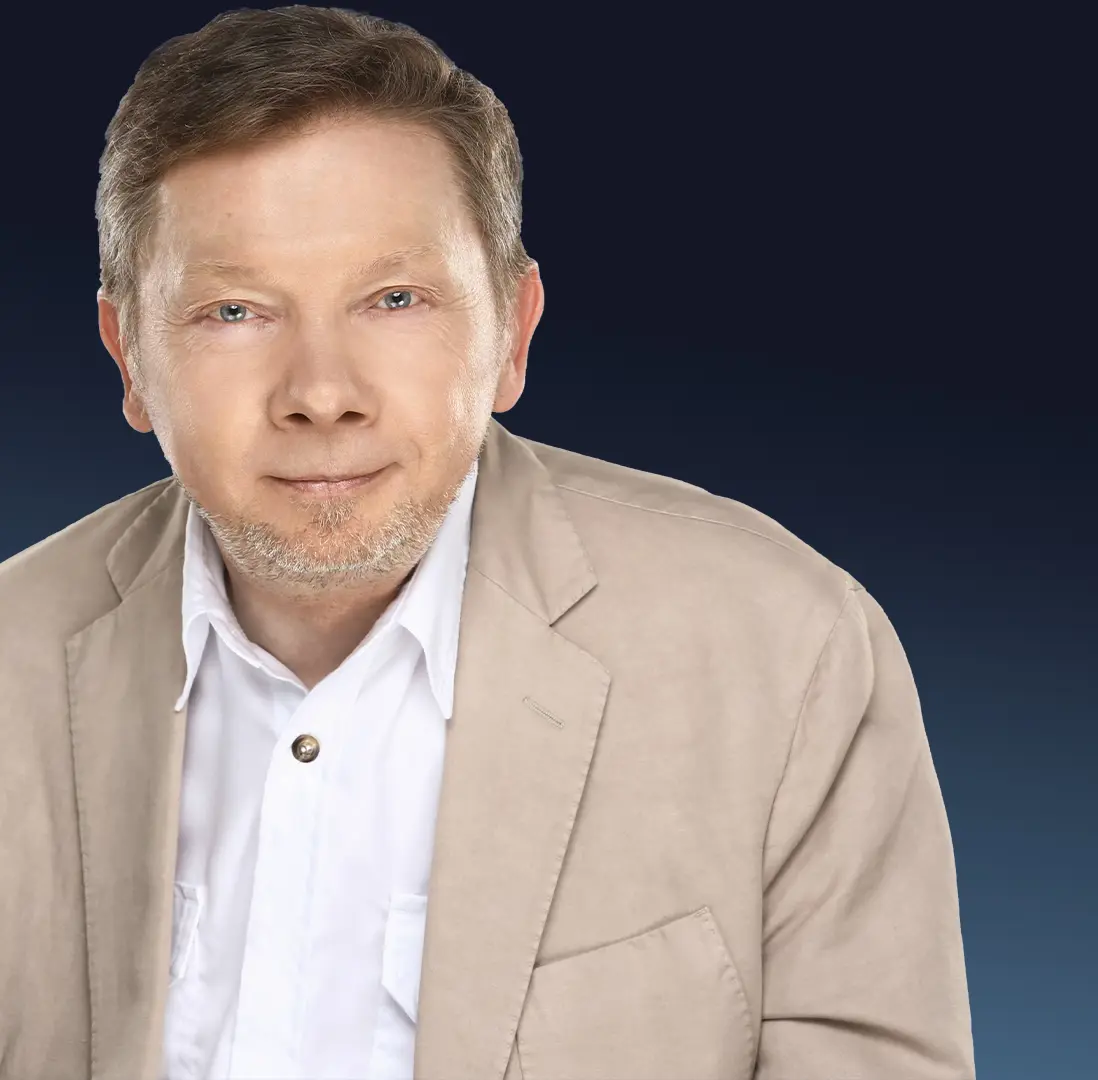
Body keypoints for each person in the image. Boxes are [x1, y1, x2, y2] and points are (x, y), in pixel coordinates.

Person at [0, 6, 973, 1079]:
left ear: (512, 331)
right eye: (234, 311)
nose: (321, 393)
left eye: (394, 299)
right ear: (128, 356)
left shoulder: (787, 653)